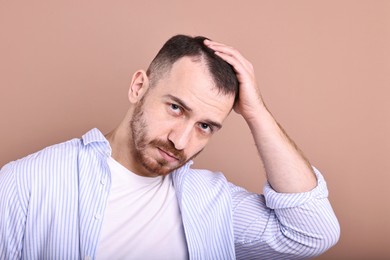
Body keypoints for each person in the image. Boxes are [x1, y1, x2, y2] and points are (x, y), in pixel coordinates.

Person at [0, 35, 340, 259]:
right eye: (175, 108)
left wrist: (256, 112)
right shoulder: (27, 181)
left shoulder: (213, 202)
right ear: (138, 87)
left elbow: (313, 233)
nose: (180, 141)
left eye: (205, 126)